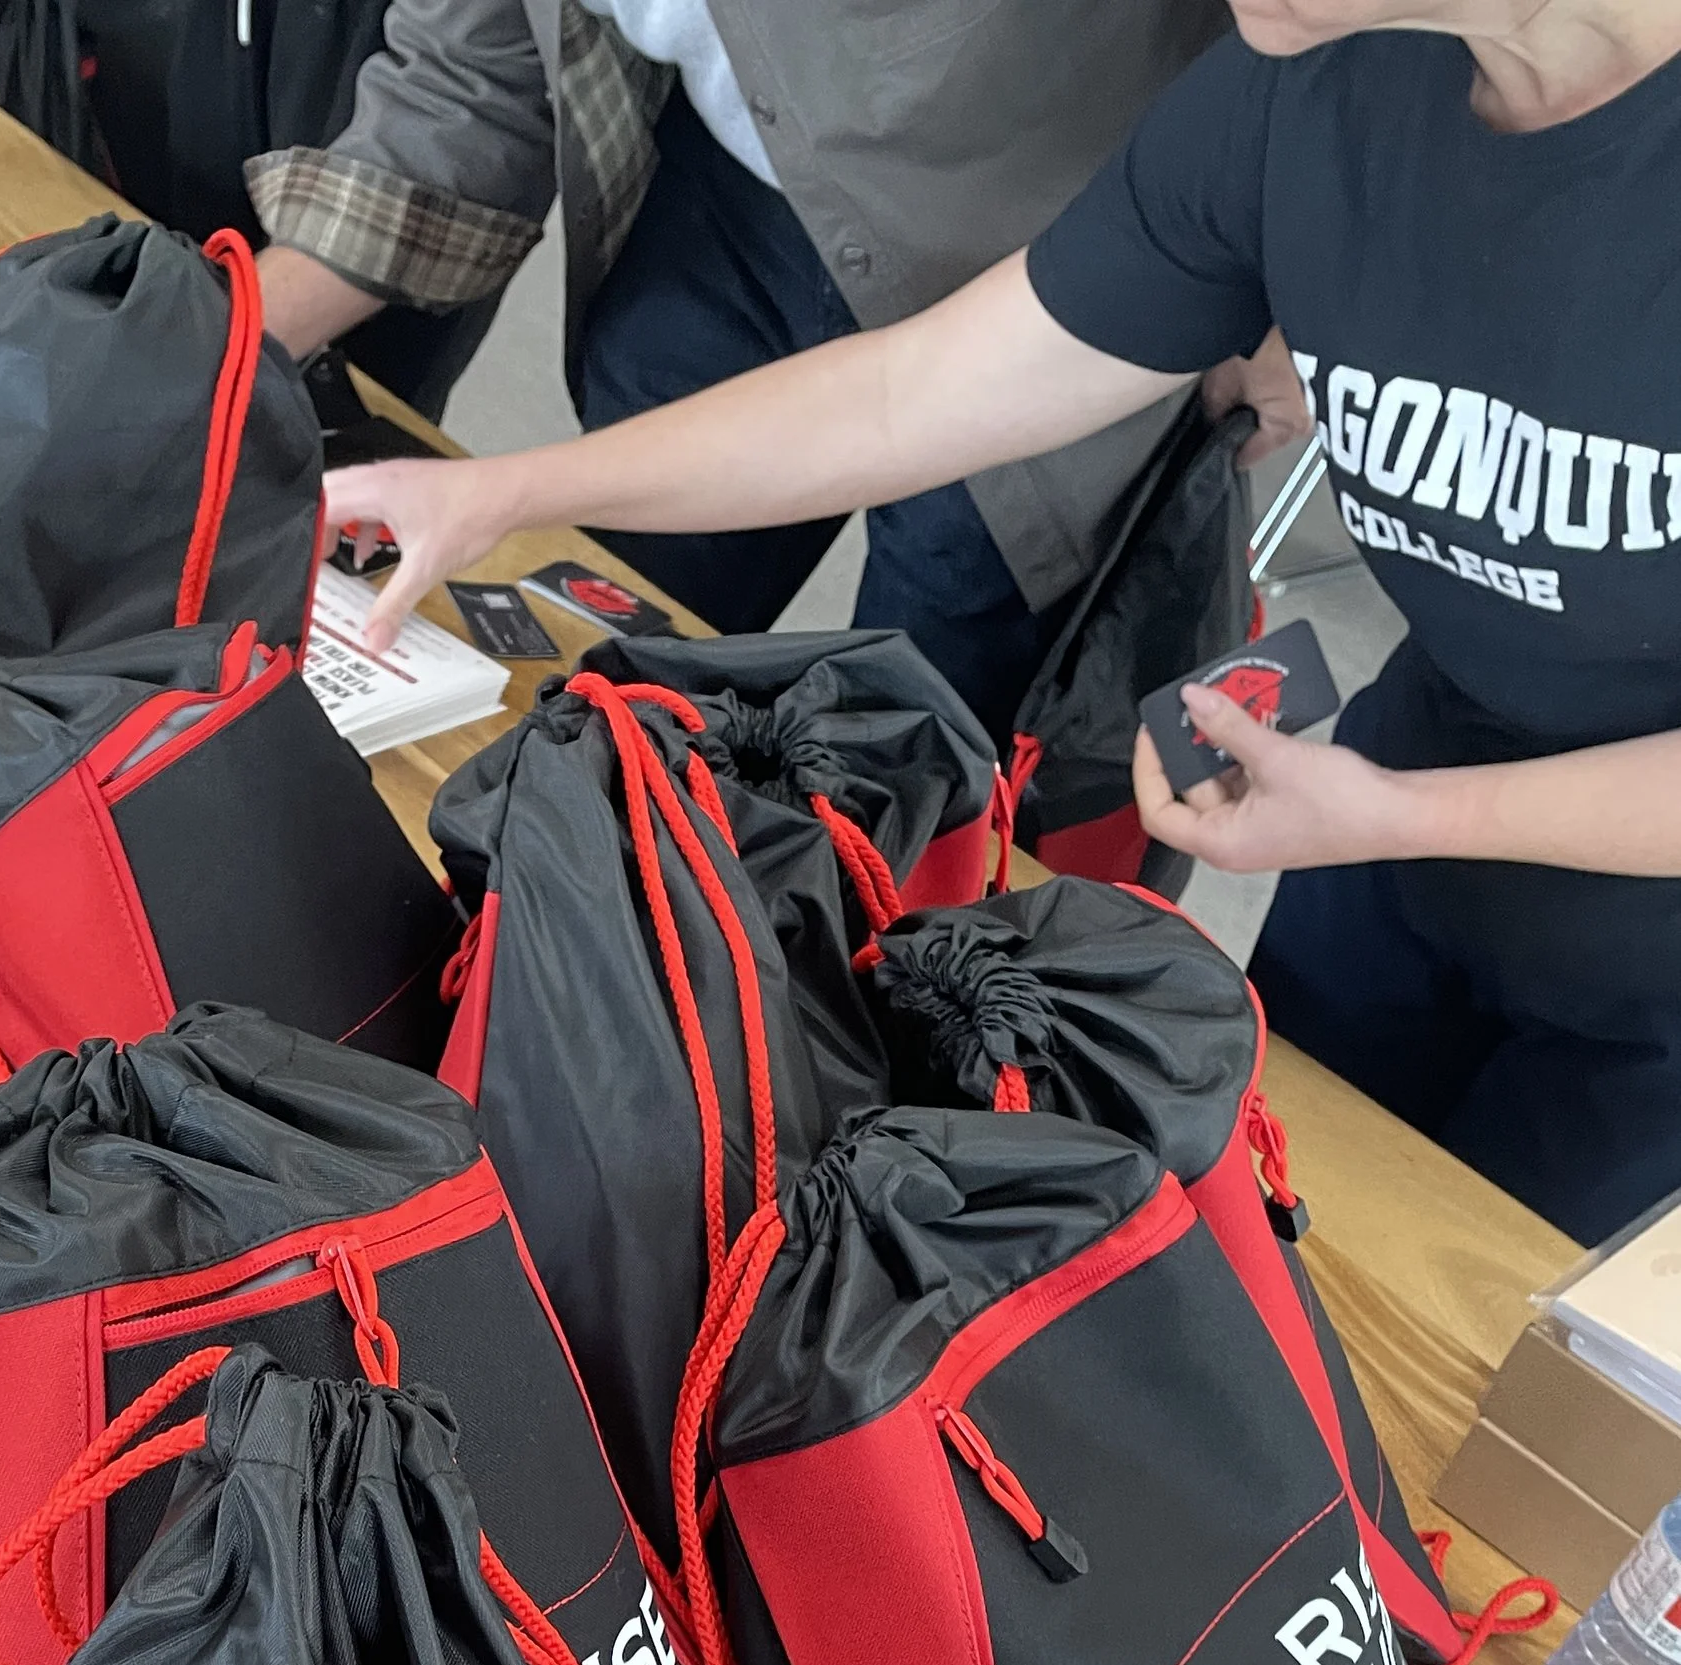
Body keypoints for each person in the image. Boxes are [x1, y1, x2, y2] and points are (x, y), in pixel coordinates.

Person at [323, 0, 1681, 1247]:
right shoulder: (1307, 92)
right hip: (1398, 817)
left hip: (1625, 949)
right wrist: (507, 490)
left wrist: (1399, 815)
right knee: (1279, 1253)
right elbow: (921, 394)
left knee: (1487, 1384)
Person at [250, 0, 1296, 738]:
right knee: (598, 653)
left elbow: (914, 400)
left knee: (918, 750)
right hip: (732, 201)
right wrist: (212, 353)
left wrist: (1290, 274)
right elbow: (461, 85)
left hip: (1060, 272)